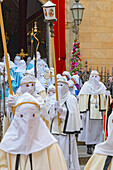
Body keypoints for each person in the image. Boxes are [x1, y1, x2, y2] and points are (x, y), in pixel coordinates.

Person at [0, 92, 67, 170]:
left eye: (33, 115)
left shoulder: (50, 146)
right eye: (22, 116)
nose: (27, 121)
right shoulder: (7, 145)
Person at [48, 76, 82, 170]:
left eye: (61, 85)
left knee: (65, 154)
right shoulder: (52, 98)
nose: (59, 87)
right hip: (54, 131)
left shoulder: (71, 99)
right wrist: (53, 110)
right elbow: (48, 116)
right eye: (57, 85)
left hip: (66, 132)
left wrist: (62, 111)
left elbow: (73, 114)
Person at [78, 70, 107, 154]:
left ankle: (97, 144)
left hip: (99, 110)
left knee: (98, 128)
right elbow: (81, 96)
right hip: (89, 110)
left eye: (96, 76)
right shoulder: (86, 85)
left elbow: (105, 97)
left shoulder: (101, 86)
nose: (94, 79)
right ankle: (89, 146)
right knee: (89, 128)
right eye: (92, 76)